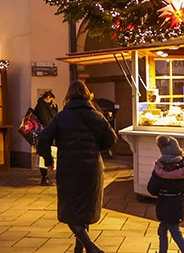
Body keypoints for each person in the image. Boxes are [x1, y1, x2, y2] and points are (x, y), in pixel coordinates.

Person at [37, 80, 117, 253]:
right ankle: (79, 248)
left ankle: (90, 247)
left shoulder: (61, 117)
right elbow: (112, 139)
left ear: (69, 96)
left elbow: (43, 139)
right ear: (87, 94)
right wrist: (95, 149)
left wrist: (49, 160)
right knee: (85, 208)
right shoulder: (96, 115)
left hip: (69, 168)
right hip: (92, 169)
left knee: (70, 210)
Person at [147, 135, 184, 253]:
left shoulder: (160, 169)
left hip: (164, 203)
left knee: (175, 232)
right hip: (177, 202)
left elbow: (152, 188)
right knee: (163, 230)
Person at [33, 90, 59, 186]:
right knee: (43, 156)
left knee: (49, 154)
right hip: (44, 135)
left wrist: (55, 108)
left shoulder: (46, 106)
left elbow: (54, 116)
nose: (52, 102)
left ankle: (46, 177)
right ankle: (44, 177)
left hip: (48, 135)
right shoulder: (41, 106)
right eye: (52, 99)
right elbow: (46, 120)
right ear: (48, 97)